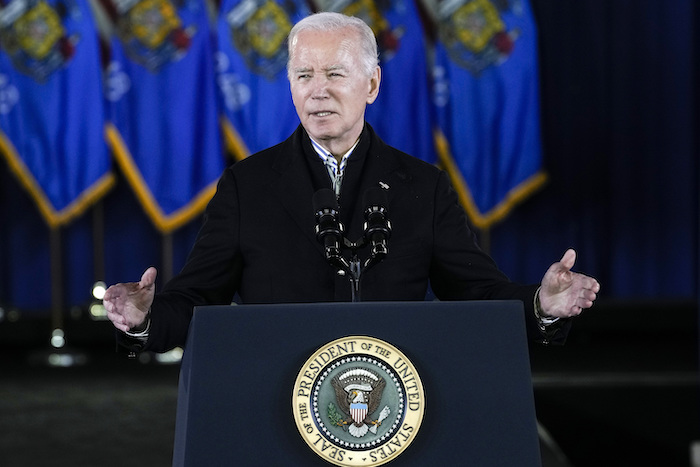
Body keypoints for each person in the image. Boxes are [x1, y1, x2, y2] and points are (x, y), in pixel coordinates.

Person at [104, 12, 599, 354]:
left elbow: (477, 294)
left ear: (372, 84)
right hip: (279, 399)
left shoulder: (422, 186)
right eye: (303, 75)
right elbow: (196, 300)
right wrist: (146, 318)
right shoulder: (245, 186)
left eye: (335, 73)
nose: (317, 90)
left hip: (394, 404)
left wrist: (542, 306)